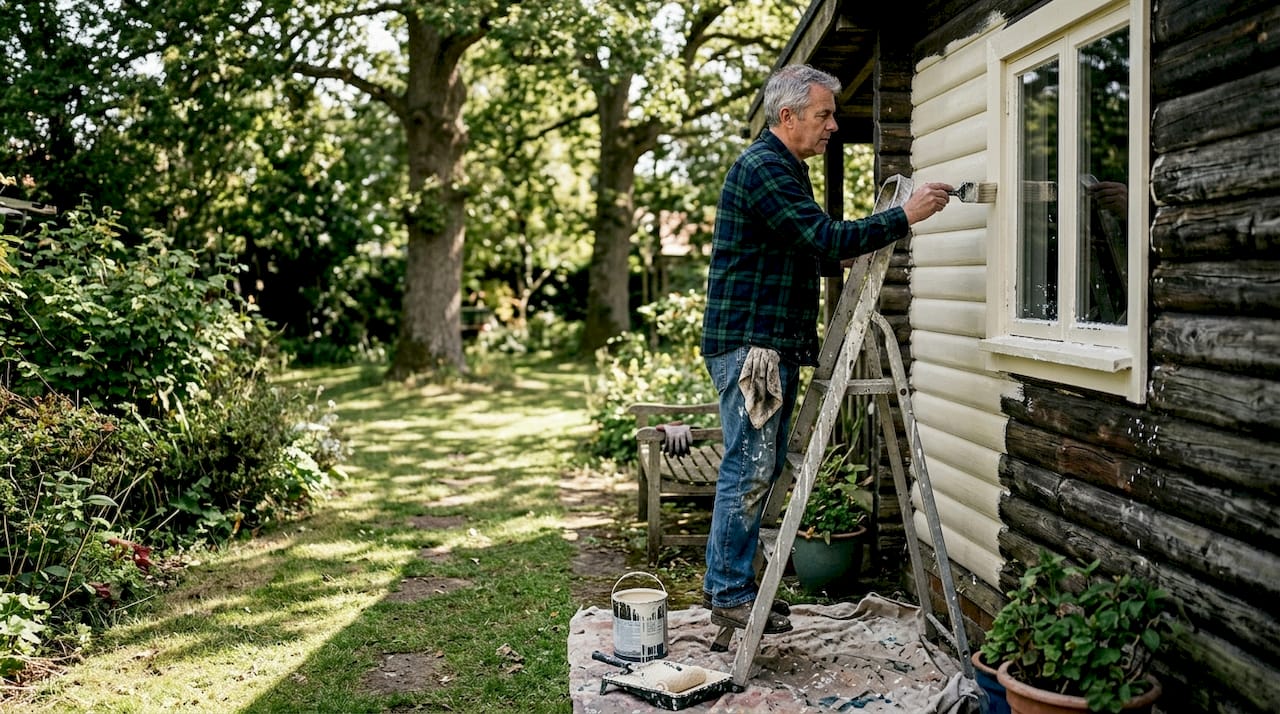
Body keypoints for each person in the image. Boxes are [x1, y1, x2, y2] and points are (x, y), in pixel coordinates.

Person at [700, 64, 952, 634]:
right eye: (824, 115)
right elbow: (823, 239)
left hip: (766, 346)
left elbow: (809, 253)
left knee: (757, 469)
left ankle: (737, 587)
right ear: (786, 117)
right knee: (749, 469)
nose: (833, 125)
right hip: (754, 350)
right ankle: (729, 590)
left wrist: (849, 250)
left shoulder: (783, 168)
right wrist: (902, 217)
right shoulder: (766, 167)